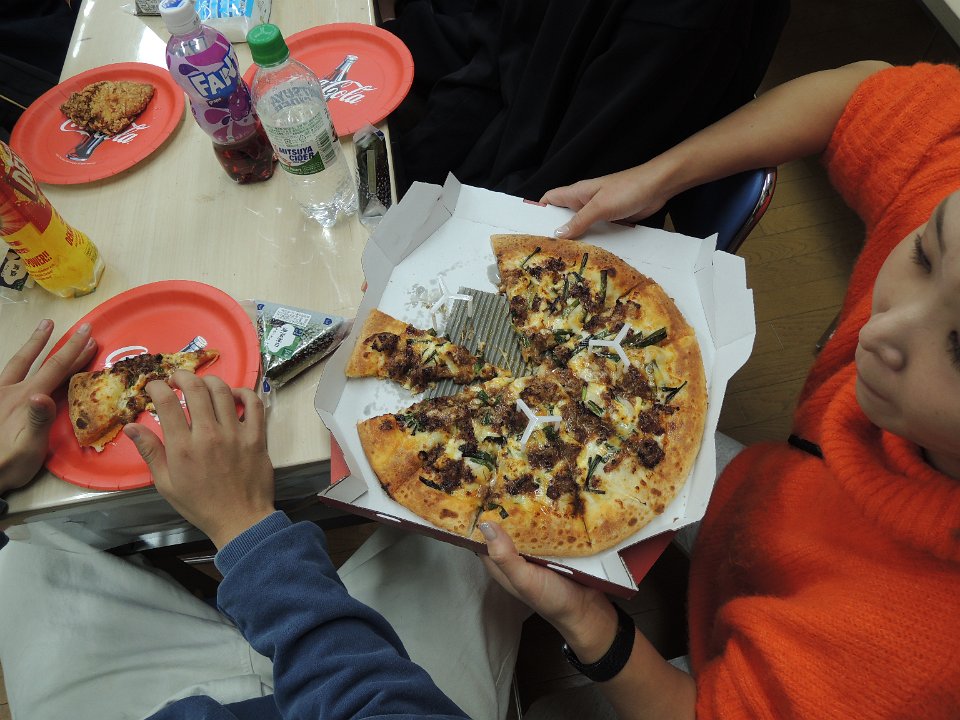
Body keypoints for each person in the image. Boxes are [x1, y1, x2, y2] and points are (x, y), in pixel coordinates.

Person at [480, 59, 960, 718]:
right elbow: (862, 92)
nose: (878, 332)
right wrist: (656, 178)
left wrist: (589, 626)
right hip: (766, 497)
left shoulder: (913, 662)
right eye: (926, 252)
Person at [0, 320, 528, 720]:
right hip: (378, 684)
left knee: (22, 548)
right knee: (490, 535)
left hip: (151, 703)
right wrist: (247, 530)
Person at [383, 0, 790, 206]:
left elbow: (562, 189)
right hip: (502, 104)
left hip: (562, 187)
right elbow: (497, 44)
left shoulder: (683, 21)